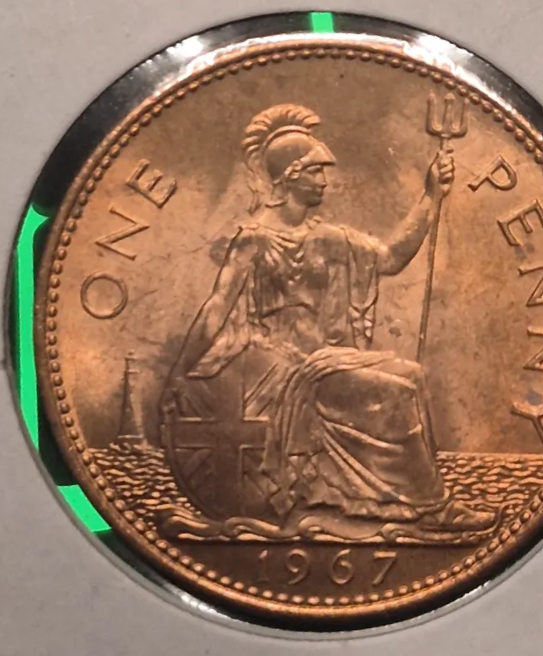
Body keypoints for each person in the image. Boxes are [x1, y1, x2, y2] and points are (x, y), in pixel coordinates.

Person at [161, 104, 495, 533]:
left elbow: (390, 258)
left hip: (325, 359)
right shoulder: (253, 240)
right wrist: (179, 372)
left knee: (412, 375)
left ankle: (406, 501)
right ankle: (431, 509)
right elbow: (216, 308)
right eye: (315, 170)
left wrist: (431, 197)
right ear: (290, 177)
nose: (324, 180)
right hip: (279, 369)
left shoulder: (328, 238)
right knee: (394, 390)